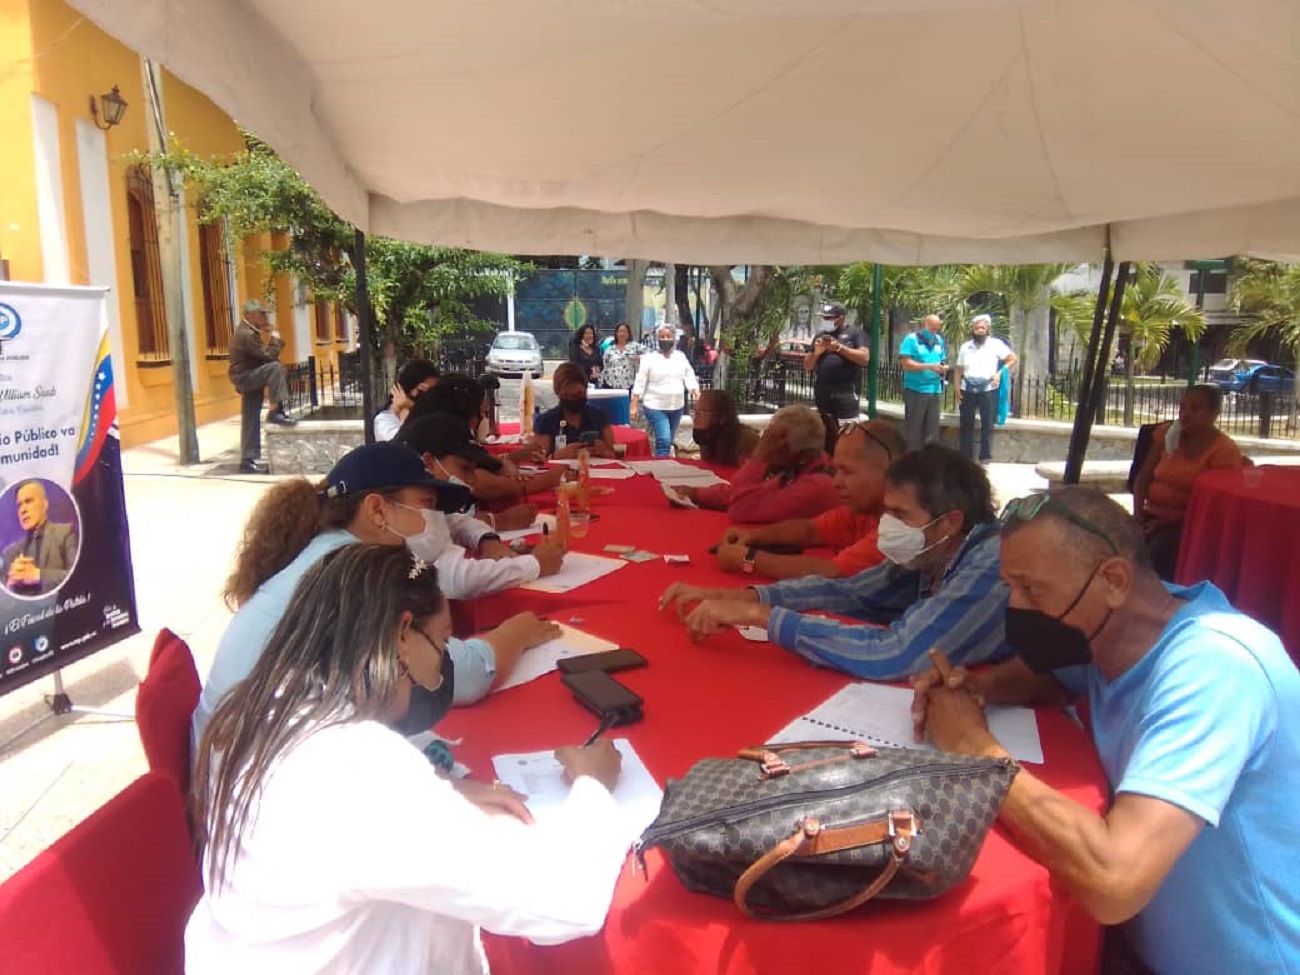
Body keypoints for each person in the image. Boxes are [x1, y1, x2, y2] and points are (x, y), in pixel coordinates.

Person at [187, 544, 630, 974]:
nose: (439, 670)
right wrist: (593, 783)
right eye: (442, 641)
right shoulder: (357, 769)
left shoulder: (269, 705)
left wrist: (442, 790)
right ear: (402, 634)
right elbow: (563, 902)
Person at [911, 487, 1300, 974]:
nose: (1017, 607)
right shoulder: (1121, 628)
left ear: (1114, 579)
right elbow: (1050, 677)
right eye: (1009, 587)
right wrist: (978, 687)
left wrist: (972, 746)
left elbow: (1114, 882)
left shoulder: (1214, 669)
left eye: (1031, 589)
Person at [193, 442, 562, 748]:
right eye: (425, 506)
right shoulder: (352, 575)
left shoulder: (326, 552)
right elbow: (459, 675)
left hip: (252, 759)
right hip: (253, 783)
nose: (430, 522)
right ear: (376, 509)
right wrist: (518, 632)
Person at [660, 444, 1010, 679]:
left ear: (950, 522)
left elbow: (895, 653)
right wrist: (742, 597)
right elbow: (849, 592)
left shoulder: (991, 566)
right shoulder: (933, 550)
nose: (888, 525)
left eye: (900, 515)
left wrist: (759, 616)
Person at [712, 420, 904, 581]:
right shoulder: (865, 511)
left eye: (848, 472)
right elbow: (812, 530)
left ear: (889, 471)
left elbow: (832, 571)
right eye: (837, 470)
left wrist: (747, 559)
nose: (836, 482)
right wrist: (754, 536)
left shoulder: (901, 525)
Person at [1132, 384, 1245, 580]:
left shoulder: (1223, 451)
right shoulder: (1167, 434)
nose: (1185, 414)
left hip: (1188, 523)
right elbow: (1143, 477)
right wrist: (1138, 514)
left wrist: (1161, 524)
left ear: (1214, 413)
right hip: (1150, 515)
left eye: (1195, 409)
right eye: (1182, 407)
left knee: (1157, 551)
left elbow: (1213, 507)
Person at [671, 405, 838, 525]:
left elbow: (741, 509)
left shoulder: (817, 486)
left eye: (772, 441)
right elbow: (746, 493)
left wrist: (759, 456)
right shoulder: (802, 469)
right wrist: (697, 493)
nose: (768, 446)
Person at [229, 299, 296, 474]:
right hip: (245, 377)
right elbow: (269, 356)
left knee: (250, 416)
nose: (265, 318)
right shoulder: (247, 335)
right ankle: (274, 412)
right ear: (250, 316)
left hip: (247, 375)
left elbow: (260, 358)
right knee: (275, 368)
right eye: (261, 314)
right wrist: (275, 335)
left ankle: (247, 461)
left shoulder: (249, 331)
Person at [953, 314, 1017, 465]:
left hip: (988, 389)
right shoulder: (965, 347)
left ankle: (985, 456)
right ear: (973, 329)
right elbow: (958, 369)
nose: (980, 330)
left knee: (987, 424)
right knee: (966, 424)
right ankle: (965, 456)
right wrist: (956, 388)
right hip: (967, 388)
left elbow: (1013, 358)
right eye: (977, 328)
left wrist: (1000, 373)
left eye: (983, 328)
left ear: (988, 329)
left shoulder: (996, 344)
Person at [631, 324, 700, 457]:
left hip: (676, 406)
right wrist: (633, 404)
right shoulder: (649, 358)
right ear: (657, 338)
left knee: (668, 441)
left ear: (674, 338)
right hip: (654, 406)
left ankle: (663, 462)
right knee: (664, 439)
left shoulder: (680, 357)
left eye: (668, 336)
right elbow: (640, 381)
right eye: (662, 336)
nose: (665, 339)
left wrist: (697, 394)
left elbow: (689, 376)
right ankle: (661, 466)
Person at [2, 481, 78, 594]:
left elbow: (77, 577)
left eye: (28, 501)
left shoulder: (65, 533)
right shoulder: (10, 552)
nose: (23, 510)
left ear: (44, 505)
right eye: (19, 505)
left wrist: (37, 575)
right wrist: (10, 586)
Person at [535, 362, 616, 459]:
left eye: (578, 394)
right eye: (569, 396)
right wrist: (556, 456)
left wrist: (605, 451)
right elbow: (539, 459)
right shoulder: (546, 421)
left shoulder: (599, 416)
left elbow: (615, 454)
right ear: (558, 393)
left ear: (585, 390)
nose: (574, 400)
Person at [803, 301, 868, 420]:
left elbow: (864, 358)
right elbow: (807, 366)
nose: (825, 320)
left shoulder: (854, 333)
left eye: (829, 318)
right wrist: (816, 353)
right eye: (824, 317)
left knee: (847, 428)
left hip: (846, 392)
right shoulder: (820, 335)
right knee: (825, 427)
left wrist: (839, 348)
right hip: (823, 392)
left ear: (841, 318)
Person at [899, 315, 948, 450]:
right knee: (914, 430)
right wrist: (929, 366)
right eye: (932, 328)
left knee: (932, 431)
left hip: (935, 390)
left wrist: (942, 367)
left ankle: (930, 458)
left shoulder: (939, 340)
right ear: (925, 325)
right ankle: (913, 458)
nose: (934, 331)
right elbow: (905, 364)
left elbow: (941, 359)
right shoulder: (911, 339)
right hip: (916, 389)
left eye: (937, 329)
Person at [373, 359, 440, 441]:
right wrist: (406, 413)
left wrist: (411, 407)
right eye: (425, 390)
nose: (431, 396)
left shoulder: (433, 414)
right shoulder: (384, 420)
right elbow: (404, 443)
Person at [689, 389, 759, 468]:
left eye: (701, 413)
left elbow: (750, 472)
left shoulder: (746, 440)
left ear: (722, 417)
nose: (695, 419)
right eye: (695, 412)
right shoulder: (706, 434)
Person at [600, 321, 639, 392]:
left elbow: (649, 356)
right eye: (620, 331)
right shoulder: (609, 349)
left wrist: (639, 358)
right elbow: (605, 368)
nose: (622, 334)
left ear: (629, 334)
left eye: (625, 331)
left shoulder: (635, 347)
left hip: (628, 386)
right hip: (610, 386)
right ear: (616, 333)